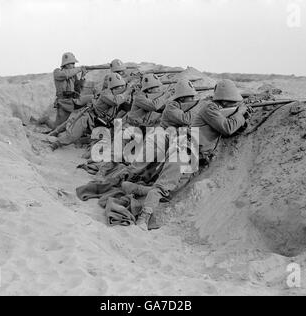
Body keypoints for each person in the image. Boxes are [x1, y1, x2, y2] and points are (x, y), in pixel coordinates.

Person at [131, 79, 251, 231]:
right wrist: (240, 113)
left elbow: (230, 129)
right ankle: (143, 218)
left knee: (172, 191)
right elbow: (227, 127)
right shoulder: (210, 109)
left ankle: (137, 189)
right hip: (183, 149)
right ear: (225, 102)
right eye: (233, 102)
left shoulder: (215, 110)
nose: (235, 105)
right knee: (163, 186)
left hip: (194, 155)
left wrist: (243, 118)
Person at [50, 73, 134, 150]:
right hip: (88, 118)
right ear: (112, 88)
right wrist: (127, 91)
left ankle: (75, 140)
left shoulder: (119, 96)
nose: (121, 89)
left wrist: (132, 95)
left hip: (100, 123)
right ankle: (55, 144)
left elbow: (127, 107)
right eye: (119, 88)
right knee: (72, 135)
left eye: (122, 87)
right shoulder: (106, 94)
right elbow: (116, 101)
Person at [53, 52, 87, 128]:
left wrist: (82, 77)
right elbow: (65, 74)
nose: (74, 66)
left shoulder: (73, 75)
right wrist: (79, 69)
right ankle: (44, 120)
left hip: (71, 102)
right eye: (72, 64)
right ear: (67, 64)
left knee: (67, 126)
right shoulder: (57, 72)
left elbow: (78, 90)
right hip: (63, 102)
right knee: (58, 127)